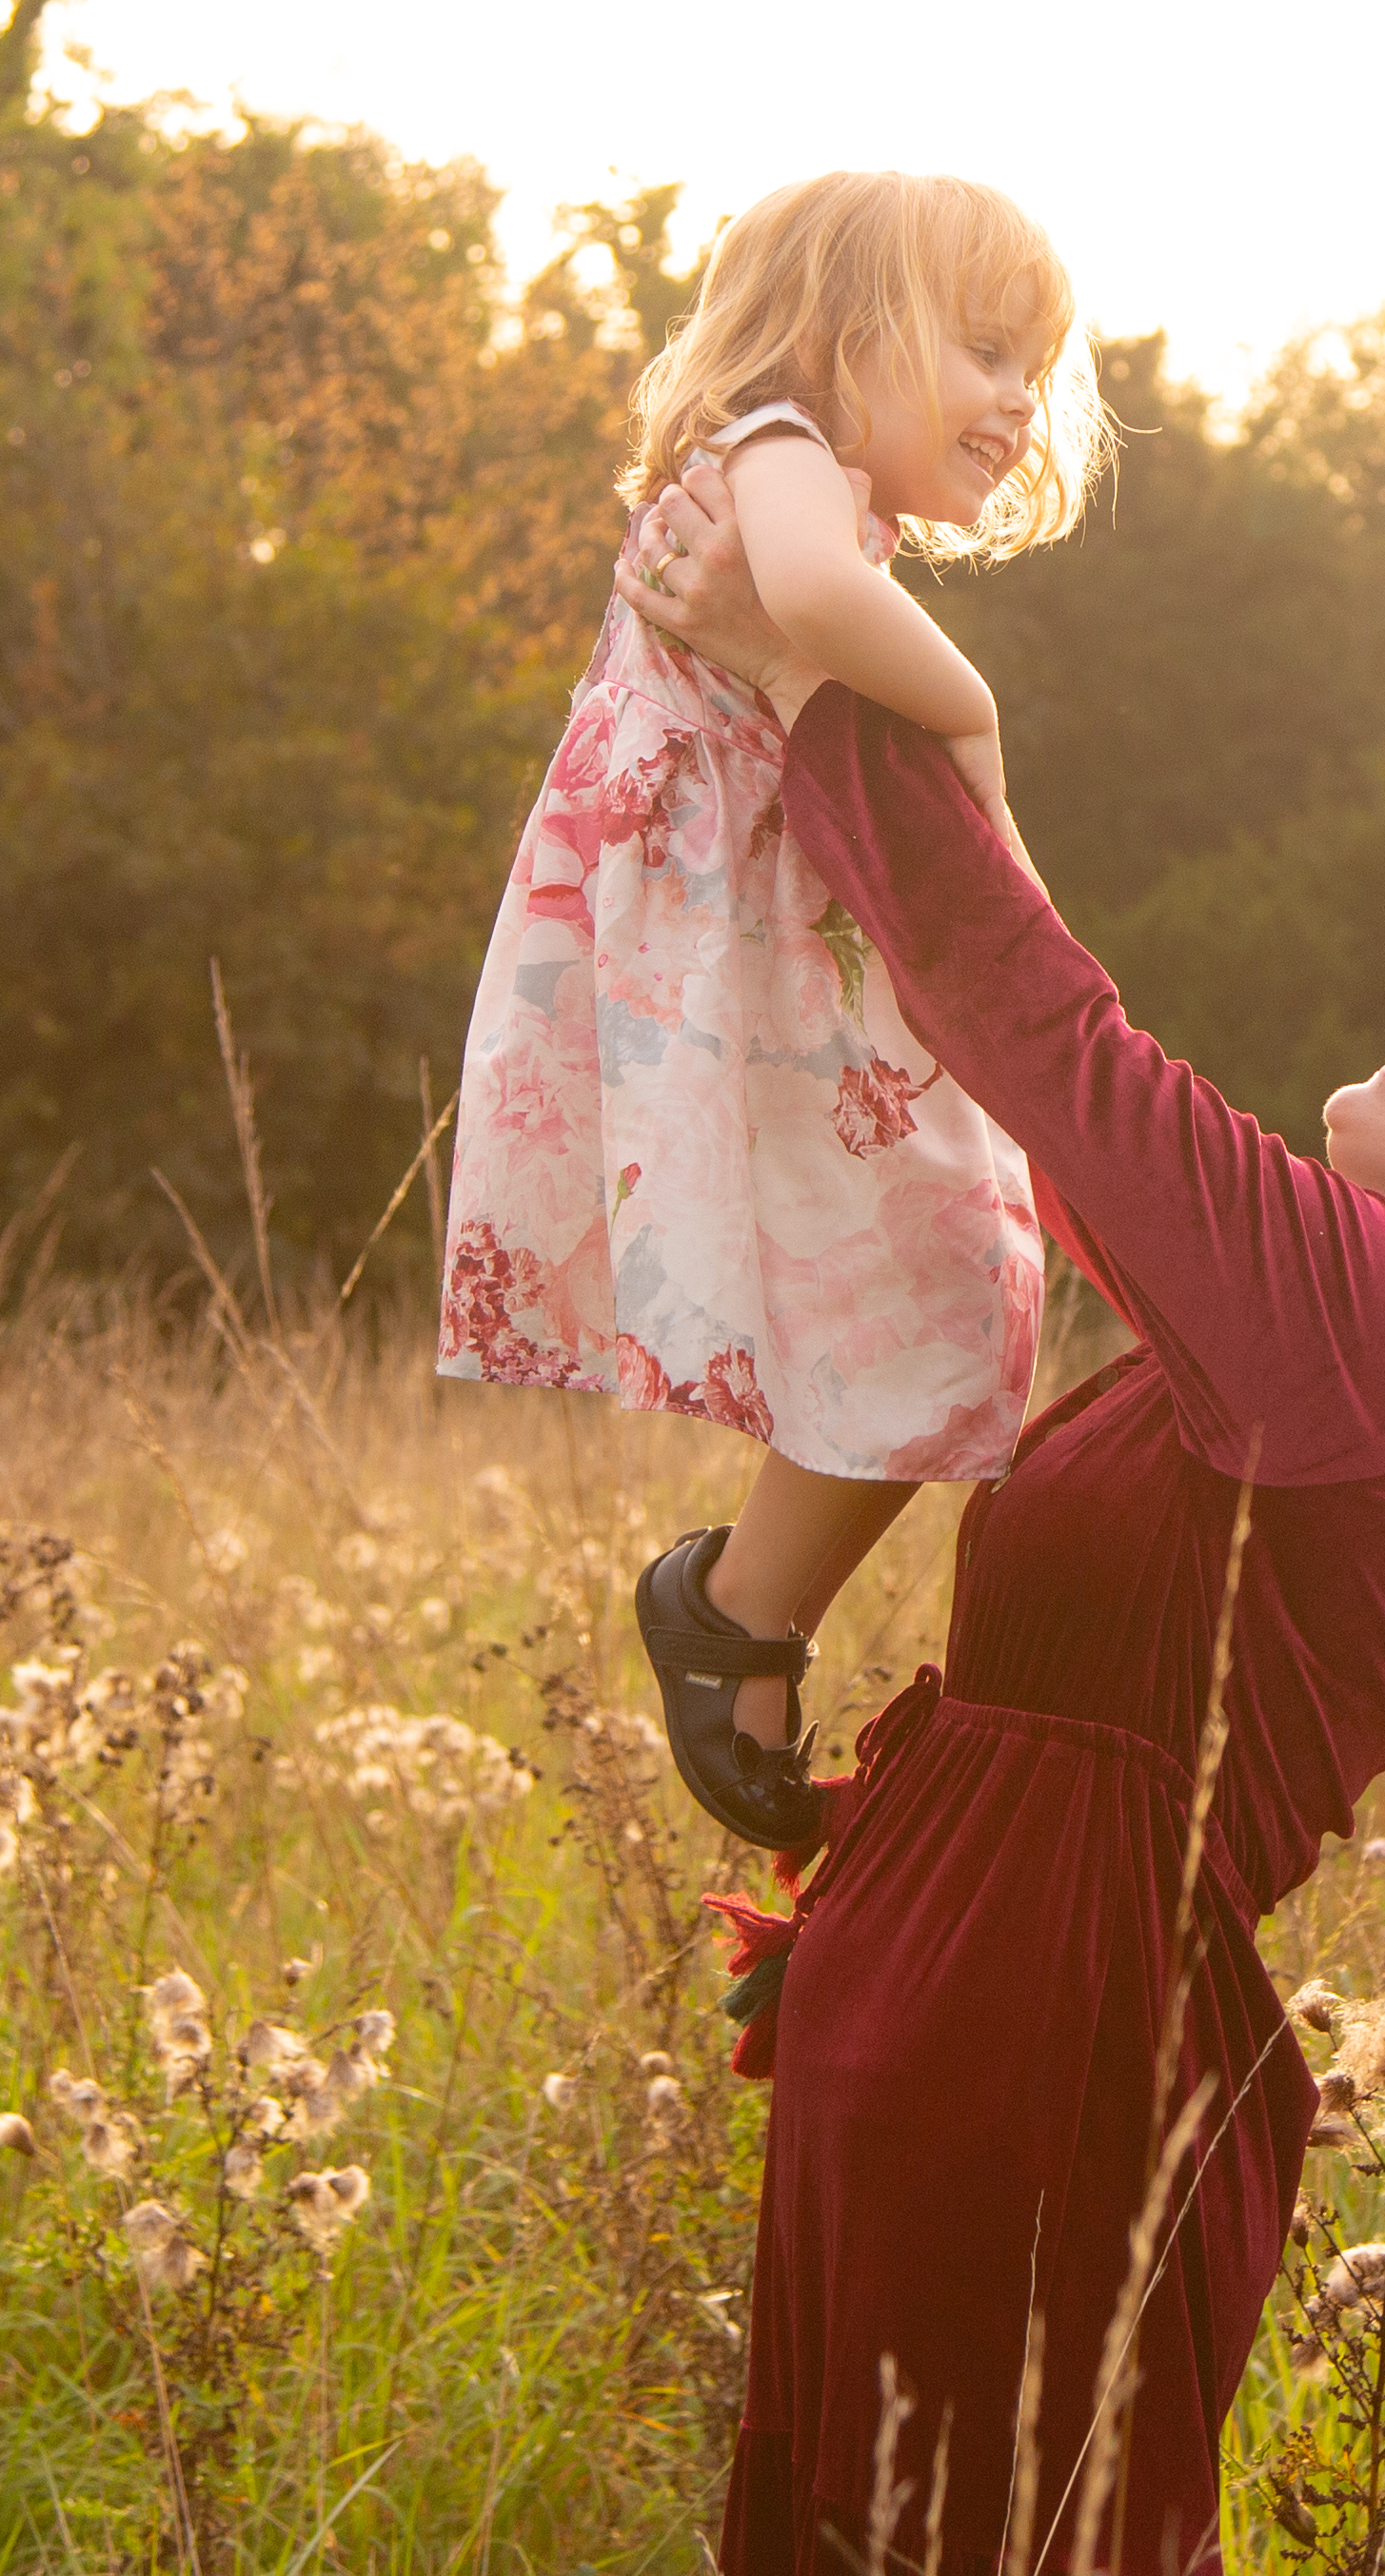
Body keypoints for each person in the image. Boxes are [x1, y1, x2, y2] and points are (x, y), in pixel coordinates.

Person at [619, 465, 1385, 2576]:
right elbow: (1020, 1118)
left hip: (1047, 2051)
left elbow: (1056, 1048)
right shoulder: (1371, 1348)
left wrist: (806, 671)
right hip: (986, 2007)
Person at [436, 171, 1105, 1854]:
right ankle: (740, 1613)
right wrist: (980, 710)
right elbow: (806, 597)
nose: (1018, 400)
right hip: (733, 969)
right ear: (838, 331)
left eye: (1033, 365)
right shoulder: (780, 445)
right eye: (980, 349)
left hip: (763, 962)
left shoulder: (794, 473)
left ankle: (738, 1612)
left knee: (948, 1285)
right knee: (948, 1272)